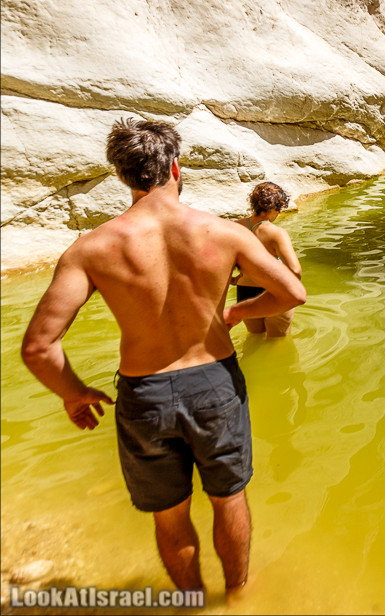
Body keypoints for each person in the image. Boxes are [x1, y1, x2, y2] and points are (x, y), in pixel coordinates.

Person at [20, 119, 306, 600]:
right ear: (176, 167)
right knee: (228, 497)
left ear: (122, 176)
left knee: (169, 512)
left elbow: (38, 347)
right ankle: (236, 596)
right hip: (215, 382)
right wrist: (235, 311)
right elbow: (292, 292)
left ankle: (190, 603)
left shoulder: (91, 247)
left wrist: (74, 392)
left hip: (143, 393)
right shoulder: (223, 232)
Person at [232, 182, 302, 337]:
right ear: (276, 207)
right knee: (277, 342)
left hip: (245, 294)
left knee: (255, 338)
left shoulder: (234, 228)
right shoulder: (276, 233)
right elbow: (295, 270)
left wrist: (238, 278)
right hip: (273, 292)